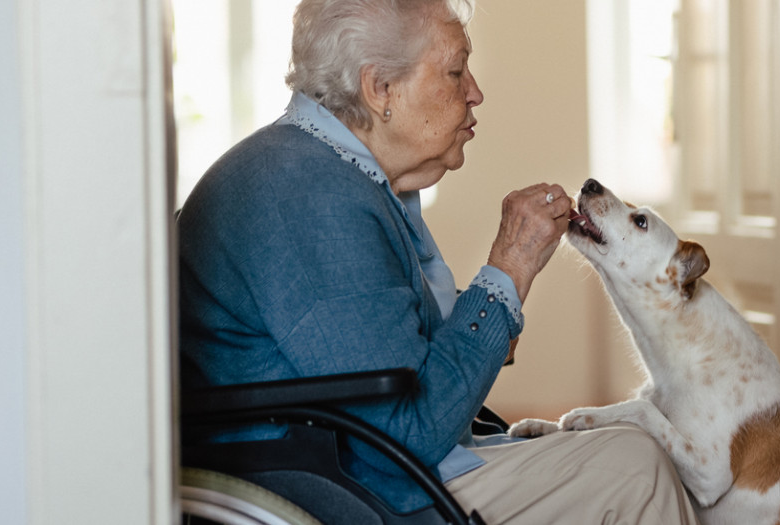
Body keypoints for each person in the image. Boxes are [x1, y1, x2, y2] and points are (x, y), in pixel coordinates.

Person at [177, 0, 699, 522]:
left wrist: (481, 319)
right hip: (336, 485)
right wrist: (511, 266)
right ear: (380, 88)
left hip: (342, 460)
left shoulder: (329, 171)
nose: (475, 92)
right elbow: (412, 430)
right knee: (634, 465)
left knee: (622, 446)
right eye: (455, 71)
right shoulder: (309, 195)